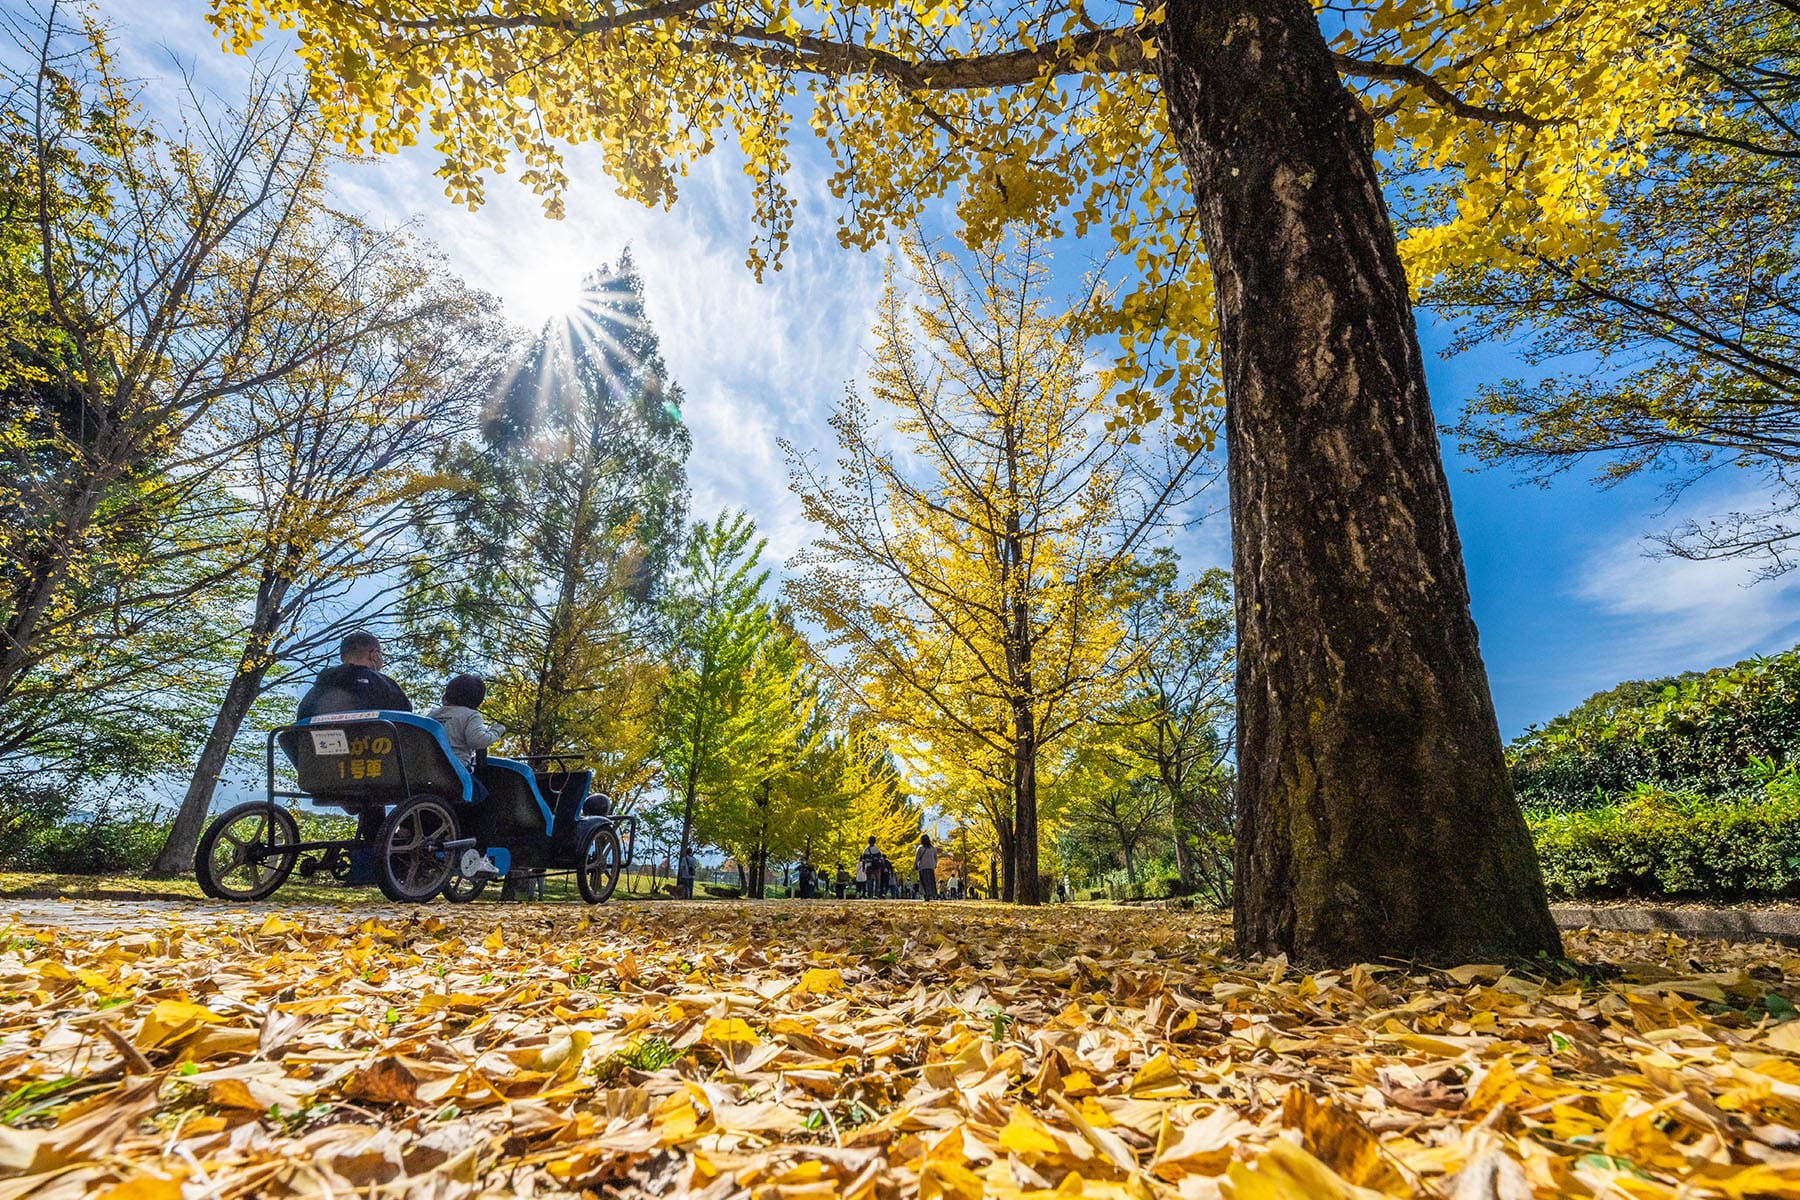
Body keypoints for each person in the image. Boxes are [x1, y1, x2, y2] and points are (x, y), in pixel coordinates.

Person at [297, 631, 410, 719]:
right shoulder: (385, 685)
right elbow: (406, 718)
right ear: (375, 655)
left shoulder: (312, 694)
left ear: (342, 658)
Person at [427, 674, 507, 764]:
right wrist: (497, 730)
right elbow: (478, 741)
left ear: (445, 697)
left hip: (425, 766)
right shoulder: (471, 715)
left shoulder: (432, 715)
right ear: (477, 702)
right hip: (454, 770)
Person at [913, 834, 938, 900]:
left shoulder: (920, 848)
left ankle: (926, 893)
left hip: (923, 867)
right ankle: (931, 893)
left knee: (923, 881)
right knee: (931, 880)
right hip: (931, 866)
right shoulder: (933, 848)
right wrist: (935, 864)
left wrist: (914, 866)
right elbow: (936, 858)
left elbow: (917, 858)